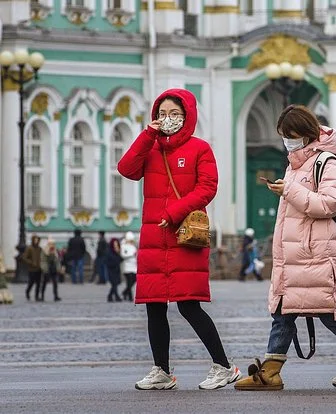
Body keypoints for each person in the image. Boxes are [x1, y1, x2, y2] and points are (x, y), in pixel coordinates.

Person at [234, 105, 336, 391]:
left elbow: (330, 204)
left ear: (305, 134)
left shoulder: (325, 162)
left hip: (316, 254)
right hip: (296, 255)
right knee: (282, 312)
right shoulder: (295, 164)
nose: (287, 142)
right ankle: (271, 371)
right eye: (283, 136)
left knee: (332, 315)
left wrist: (289, 190)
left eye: (290, 135)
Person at [118, 88, 240, 390]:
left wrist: (174, 212)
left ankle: (224, 366)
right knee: (154, 305)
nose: (167, 119)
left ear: (187, 117)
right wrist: (148, 135)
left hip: (185, 236)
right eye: (162, 114)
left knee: (189, 305)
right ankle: (161, 370)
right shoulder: (151, 147)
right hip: (153, 239)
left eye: (174, 114)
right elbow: (126, 169)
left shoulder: (200, 149)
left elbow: (207, 188)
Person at [23, 235, 43, 301]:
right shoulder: (29, 248)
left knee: (38, 283)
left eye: (37, 240)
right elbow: (25, 258)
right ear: (33, 240)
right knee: (31, 282)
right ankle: (27, 292)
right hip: (32, 269)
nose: (36, 241)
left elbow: (42, 257)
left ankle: (37, 296)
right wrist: (31, 263)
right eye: (35, 240)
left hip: (39, 268)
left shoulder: (39, 248)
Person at [120, 231, 138, 301]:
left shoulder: (133, 246)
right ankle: (130, 296)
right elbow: (123, 255)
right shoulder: (123, 246)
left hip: (133, 267)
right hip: (127, 267)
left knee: (133, 281)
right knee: (129, 282)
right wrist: (131, 255)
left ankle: (125, 293)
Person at [105, 238, 124, 302]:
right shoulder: (109, 252)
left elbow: (121, 260)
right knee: (114, 284)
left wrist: (118, 252)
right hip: (111, 270)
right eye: (114, 244)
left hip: (116, 270)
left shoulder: (116, 252)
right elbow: (109, 262)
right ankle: (116, 297)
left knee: (115, 284)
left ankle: (110, 296)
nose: (115, 246)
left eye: (117, 244)